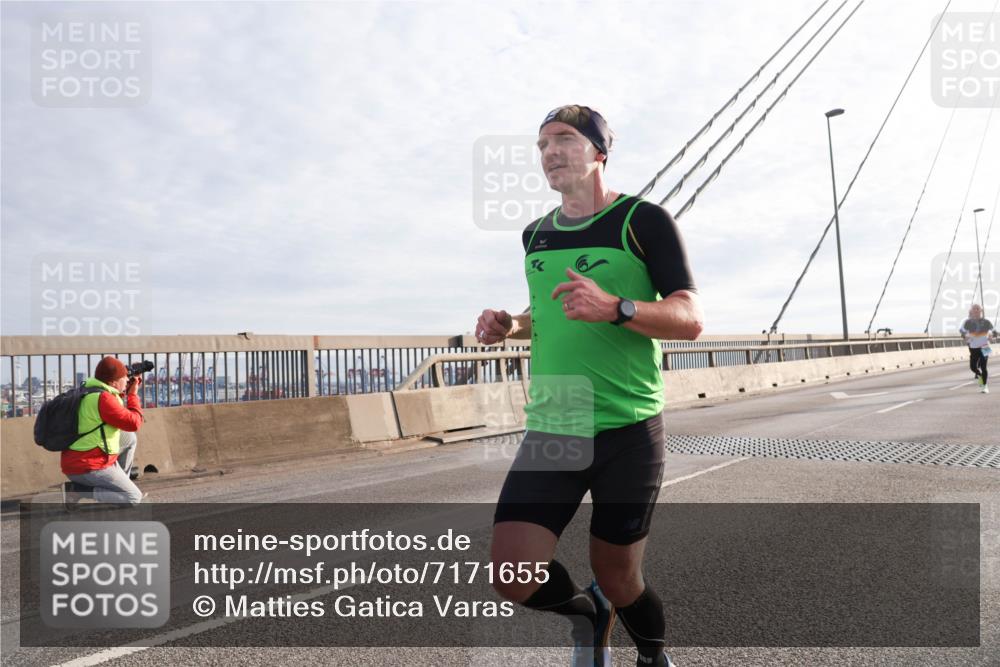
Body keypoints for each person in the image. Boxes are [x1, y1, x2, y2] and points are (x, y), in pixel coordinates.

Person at [477, 105, 702, 667]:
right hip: (557, 422)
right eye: (541, 143)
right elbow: (549, 311)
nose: (549, 151)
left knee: (619, 575)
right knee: (511, 573)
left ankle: (652, 655)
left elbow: (690, 318)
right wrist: (511, 326)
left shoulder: (643, 221)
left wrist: (618, 308)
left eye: (563, 139)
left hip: (628, 425)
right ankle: (587, 614)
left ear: (599, 151)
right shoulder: (535, 235)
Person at [62, 356, 146, 506]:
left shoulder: (90, 390)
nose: (127, 380)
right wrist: (133, 394)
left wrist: (125, 387)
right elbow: (134, 422)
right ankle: (76, 490)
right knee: (134, 498)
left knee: (129, 439)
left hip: (77, 458)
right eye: (124, 377)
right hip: (88, 465)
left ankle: (117, 489)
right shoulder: (104, 399)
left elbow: (114, 409)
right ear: (113, 382)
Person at [959, 304, 995, 394]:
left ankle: (985, 386)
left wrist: (991, 336)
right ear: (972, 311)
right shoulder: (967, 322)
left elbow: (993, 331)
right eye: (974, 309)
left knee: (984, 366)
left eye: (978, 309)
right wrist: (965, 337)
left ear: (981, 311)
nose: (976, 310)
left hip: (985, 346)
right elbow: (962, 331)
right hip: (973, 347)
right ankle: (979, 376)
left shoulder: (987, 321)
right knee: (973, 367)